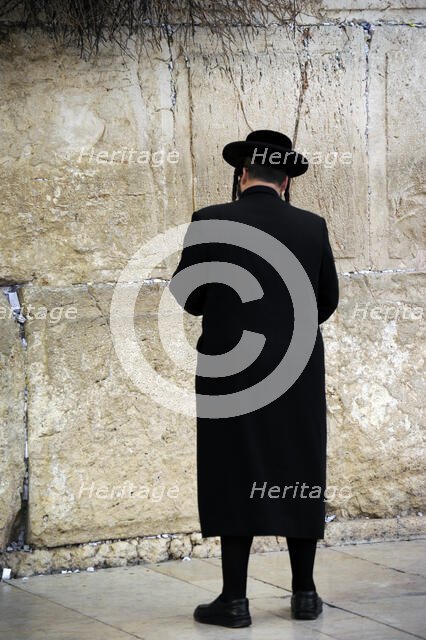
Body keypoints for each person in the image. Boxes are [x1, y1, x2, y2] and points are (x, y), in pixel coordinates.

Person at [169, 130, 339, 628]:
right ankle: (305, 594)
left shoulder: (210, 220)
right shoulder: (313, 227)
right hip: (297, 367)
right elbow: (325, 300)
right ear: (286, 179)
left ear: (242, 174)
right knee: (299, 467)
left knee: (233, 469)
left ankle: (235, 600)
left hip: (230, 367)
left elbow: (187, 293)